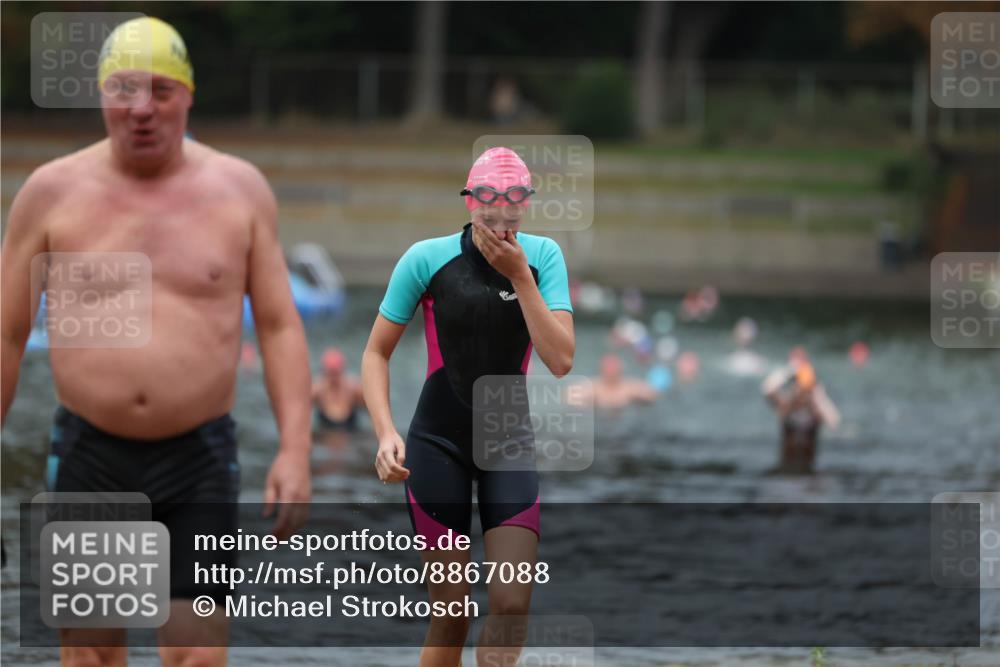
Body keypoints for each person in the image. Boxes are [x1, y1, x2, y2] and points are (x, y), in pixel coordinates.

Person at [0, 17, 312, 667]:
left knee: (195, 655)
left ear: (188, 96)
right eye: (124, 89)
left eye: (161, 90)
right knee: (89, 652)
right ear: (100, 96)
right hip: (90, 453)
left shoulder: (239, 190)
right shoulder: (50, 193)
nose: (142, 109)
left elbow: (281, 325)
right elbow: (8, 333)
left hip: (198, 456)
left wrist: (294, 449)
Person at [361, 146, 574, 667]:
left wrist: (520, 277)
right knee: (452, 613)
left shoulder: (543, 258)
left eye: (513, 201)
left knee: (509, 603)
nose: (500, 214)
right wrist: (386, 432)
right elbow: (375, 354)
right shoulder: (426, 258)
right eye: (487, 200)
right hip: (437, 443)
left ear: (526, 204)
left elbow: (562, 359)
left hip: (508, 442)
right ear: (469, 201)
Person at [761, 360, 841, 474]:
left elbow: (834, 421)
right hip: (786, 466)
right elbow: (767, 389)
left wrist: (820, 396)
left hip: (808, 469)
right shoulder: (786, 407)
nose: (803, 392)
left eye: (807, 389)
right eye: (801, 387)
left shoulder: (815, 412)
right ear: (795, 385)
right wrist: (787, 373)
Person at [568, 354, 658, 409]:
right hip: (600, 419)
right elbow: (569, 397)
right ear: (602, 370)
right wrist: (588, 404)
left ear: (620, 370)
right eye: (608, 368)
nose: (611, 372)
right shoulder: (594, 386)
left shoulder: (629, 387)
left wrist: (639, 398)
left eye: (613, 368)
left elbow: (652, 394)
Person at [312, 347, 365, 432]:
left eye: (336, 373)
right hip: (325, 433)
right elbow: (300, 414)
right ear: (324, 372)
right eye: (330, 373)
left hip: (350, 433)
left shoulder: (354, 389)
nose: (333, 378)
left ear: (342, 371)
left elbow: (373, 414)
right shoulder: (317, 390)